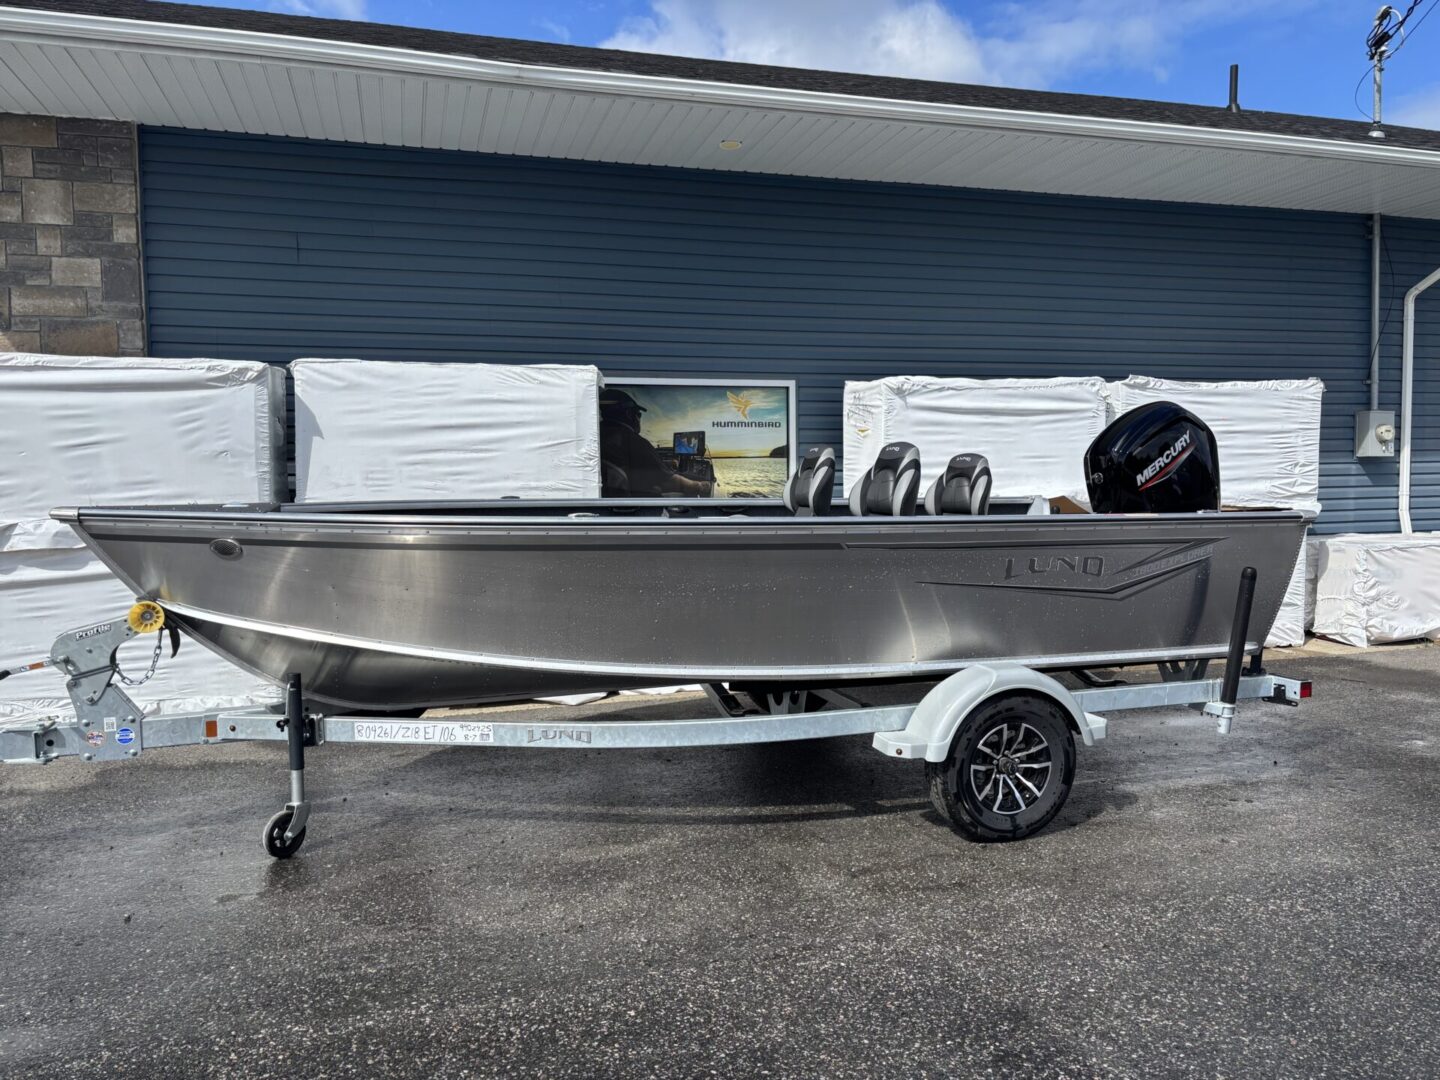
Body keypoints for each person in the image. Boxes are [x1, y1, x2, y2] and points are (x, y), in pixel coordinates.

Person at [599, 389, 711, 497]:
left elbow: (640, 466)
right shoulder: (634, 442)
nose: (639, 419)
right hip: (636, 503)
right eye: (638, 414)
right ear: (629, 414)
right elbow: (668, 481)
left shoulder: (600, 436)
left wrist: (665, 464)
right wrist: (698, 485)